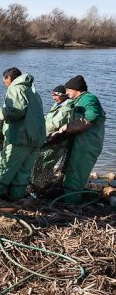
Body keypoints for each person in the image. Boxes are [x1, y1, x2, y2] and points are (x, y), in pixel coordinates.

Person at [0, 68, 46, 201]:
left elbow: (16, 111)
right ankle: (15, 198)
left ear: (9, 79)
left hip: (21, 139)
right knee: (23, 171)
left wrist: (0, 113)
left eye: (5, 82)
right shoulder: (33, 92)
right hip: (36, 139)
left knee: (3, 166)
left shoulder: (15, 89)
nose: (5, 85)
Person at [49, 75, 105, 204]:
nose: (66, 92)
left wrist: (67, 127)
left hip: (88, 145)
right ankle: (68, 199)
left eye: (68, 90)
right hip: (80, 144)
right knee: (70, 172)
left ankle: (72, 203)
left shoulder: (88, 98)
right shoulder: (78, 100)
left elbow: (92, 116)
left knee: (76, 175)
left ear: (76, 89)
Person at [36, 85, 74, 180]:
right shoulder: (59, 103)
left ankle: (39, 185)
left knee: (46, 164)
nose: (54, 97)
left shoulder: (67, 106)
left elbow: (53, 125)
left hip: (56, 143)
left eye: (56, 95)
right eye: (52, 94)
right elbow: (48, 118)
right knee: (40, 163)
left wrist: (39, 131)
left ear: (63, 95)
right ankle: (37, 183)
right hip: (50, 141)